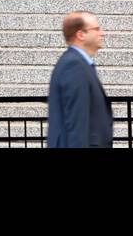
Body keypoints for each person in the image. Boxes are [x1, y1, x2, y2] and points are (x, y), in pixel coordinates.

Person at [47, 10, 114, 148]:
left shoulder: (79, 64)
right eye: (96, 29)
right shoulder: (74, 66)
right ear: (81, 34)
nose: (102, 33)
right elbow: (76, 125)